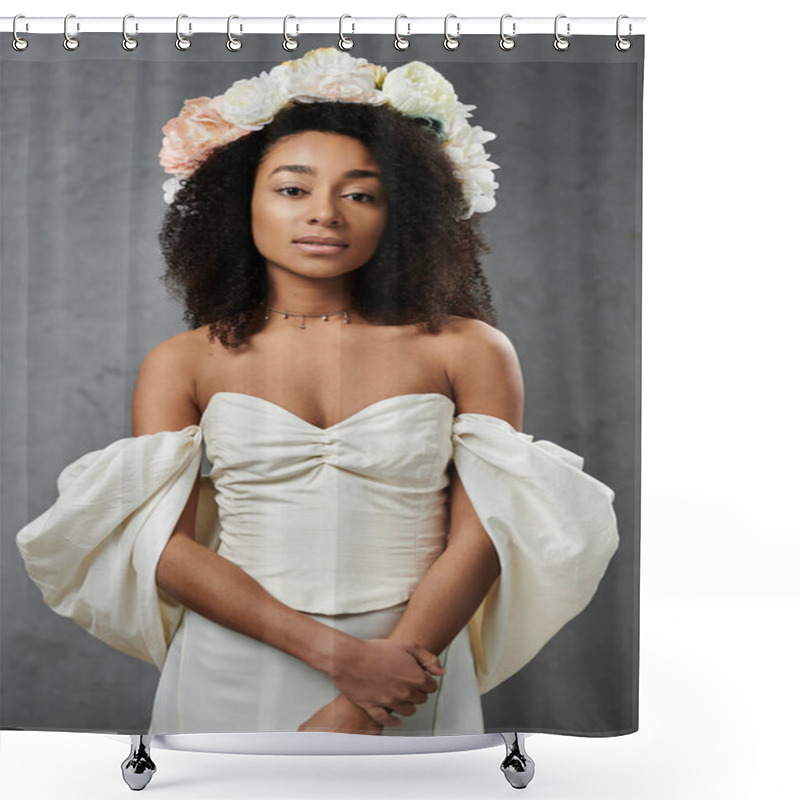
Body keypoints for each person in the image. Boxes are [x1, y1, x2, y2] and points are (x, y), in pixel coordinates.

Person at [16, 48, 620, 738]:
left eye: (360, 193)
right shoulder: (182, 362)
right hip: (233, 661)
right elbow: (163, 544)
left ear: (404, 211)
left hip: (411, 667)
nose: (325, 214)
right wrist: (340, 660)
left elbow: (485, 532)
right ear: (238, 202)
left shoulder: (467, 348)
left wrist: (370, 693)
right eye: (293, 189)